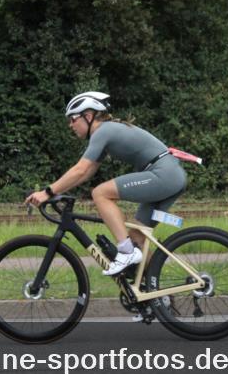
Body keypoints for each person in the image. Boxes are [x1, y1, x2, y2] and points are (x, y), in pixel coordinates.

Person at [24, 91, 187, 276]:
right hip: (170, 175)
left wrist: (47, 192)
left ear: (88, 116)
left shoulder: (103, 131)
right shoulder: (106, 132)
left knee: (100, 193)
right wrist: (56, 192)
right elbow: (84, 174)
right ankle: (154, 295)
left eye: (72, 119)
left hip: (164, 174)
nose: (70, 125)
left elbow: (80, 169)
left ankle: (125, 251)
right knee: (137, 237)